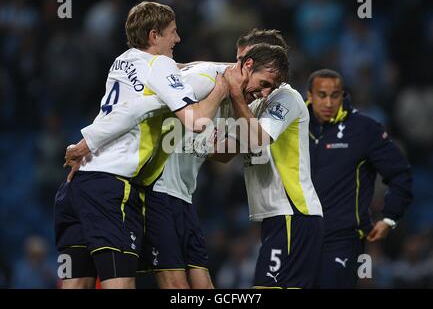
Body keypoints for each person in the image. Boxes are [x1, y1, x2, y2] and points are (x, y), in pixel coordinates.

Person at [65, 42, 290, 289]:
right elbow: (141, 105)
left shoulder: (236, 96)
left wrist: (229, 135)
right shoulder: (206, 80)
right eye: (265, 84)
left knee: (202, 285)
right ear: (247, 65)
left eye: (272, 88)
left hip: (182, 194)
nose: (265, 93)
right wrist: (91, 144)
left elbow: (224, 153)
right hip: (158, 191)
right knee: (174, 285)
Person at [55, 1, 229, 289]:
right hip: (112, 188)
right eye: (172, 32)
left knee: (75, 285)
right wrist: (220, 89)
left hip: (78, 184)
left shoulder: (122, 60)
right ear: (154, 36)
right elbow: (196, 121)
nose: (178, 39)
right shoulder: (159, 64)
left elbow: (156, 87)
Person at [211, 29, 324, 289]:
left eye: (243, 60)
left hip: (294, 213)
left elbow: (259, 138)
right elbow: (225, 153)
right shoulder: (253, 104)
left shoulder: (287, 97)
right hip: (277, 217)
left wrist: (236, 95)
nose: (237, 67)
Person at [306, 69, 413, 288]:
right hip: (299, 238)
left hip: (343, 239)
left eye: (334, 95)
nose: (328, 102)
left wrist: (389, 218)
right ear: (309, 96)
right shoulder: (295, 128)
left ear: (343, 95)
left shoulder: (364, 129)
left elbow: (400, 173)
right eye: (321, 95)